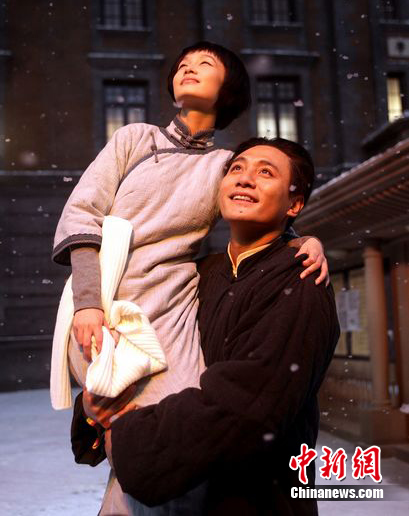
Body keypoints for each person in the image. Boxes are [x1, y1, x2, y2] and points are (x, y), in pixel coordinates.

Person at [53, 41, 328, 514]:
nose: (188, 68)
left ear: (228, 87)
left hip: (174, 303)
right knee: (127, 419)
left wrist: (303, 240)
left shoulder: (224, 164)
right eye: (183, 64)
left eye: (205, 64)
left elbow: (262, 202)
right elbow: (81, 213)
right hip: (110, 297)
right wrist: (89, 301)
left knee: (178, 426)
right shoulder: (136, 139)